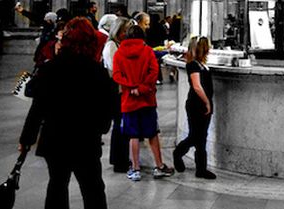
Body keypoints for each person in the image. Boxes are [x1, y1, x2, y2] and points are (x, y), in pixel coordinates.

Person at [19, 17, 114, 209]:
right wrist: (101, 128)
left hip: (55, 138)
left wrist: (27, 139)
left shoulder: (49, 69)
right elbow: (107, 105)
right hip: (86, 139)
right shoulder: (97, 71)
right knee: (93, 188)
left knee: (57, 185)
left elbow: (38, 107)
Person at [112, 25, 174, 181]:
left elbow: (117, 75)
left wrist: (131, 86)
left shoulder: (119, 53)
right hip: (147, 99)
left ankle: (135, 169)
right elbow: (153, 72)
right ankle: (159, 166)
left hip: (128, 100)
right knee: (152, 134)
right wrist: (142, 87)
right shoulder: (147, 51)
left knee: (133, 135)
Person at [173, 37, 217, 179]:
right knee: (196, 136)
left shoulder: (200, 64)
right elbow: (197, 86)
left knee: (201, 136)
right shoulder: (193, 65)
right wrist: (207, 102)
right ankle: (179, 153)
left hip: (200, 104)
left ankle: (201, 168)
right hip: (196, 105)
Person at [102, 16, 131, 173]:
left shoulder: (119, 44)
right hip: (115, 90)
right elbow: (115, 70)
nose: (126, 34)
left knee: (122, 124)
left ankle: (122, 157)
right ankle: (119, 160)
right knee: (119, 125)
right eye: (124, 31)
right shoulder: (111, 46)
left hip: (120, 88)